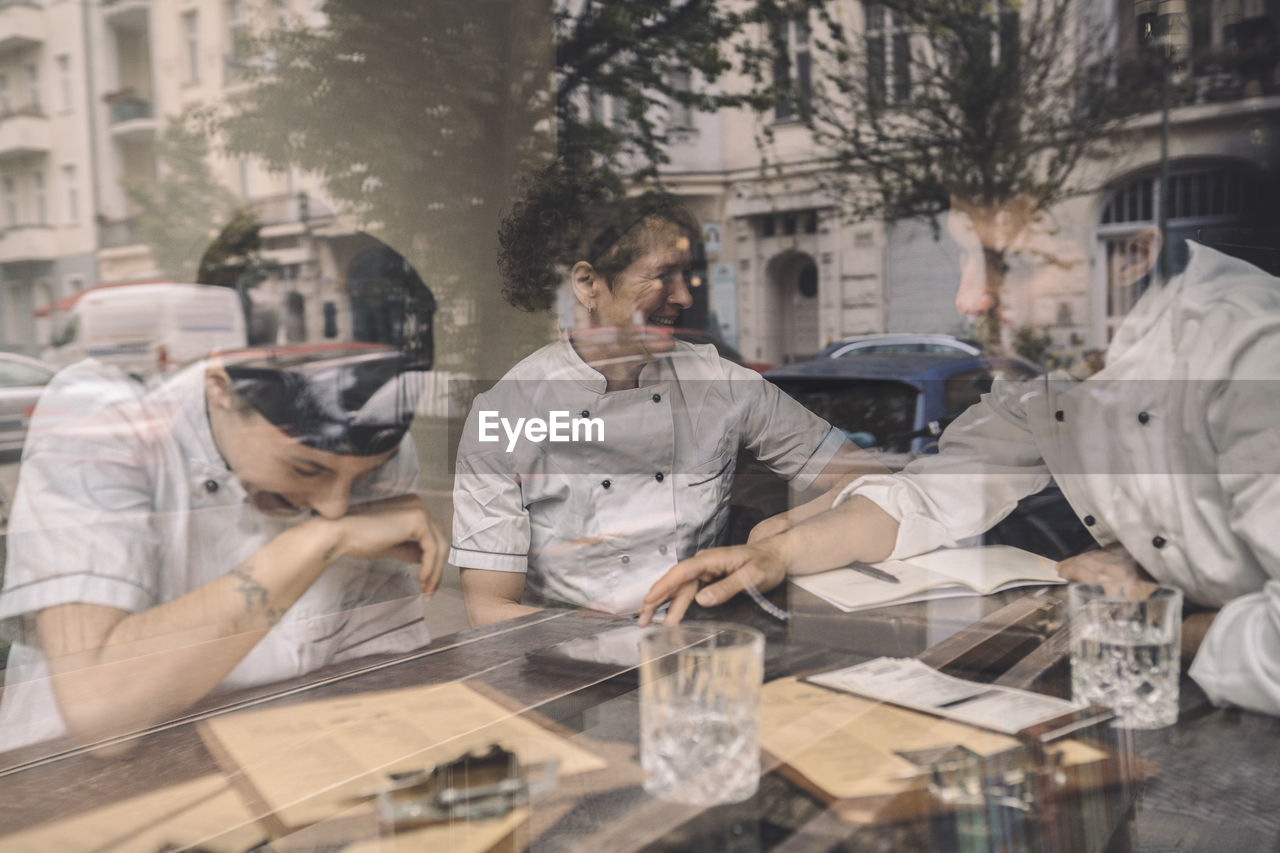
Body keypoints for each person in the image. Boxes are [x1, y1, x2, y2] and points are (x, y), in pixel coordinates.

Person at [641, 205, 1280, 718]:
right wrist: (779, 554)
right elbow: (930, 497)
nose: (971, 298)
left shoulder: (1254, 350)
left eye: (1012, 265)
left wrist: (1145, 611)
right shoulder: (1061, 361)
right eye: (969, 259)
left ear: (1131, 256)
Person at [0, 261, 447, 752]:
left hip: (280, 754)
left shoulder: (377, 456)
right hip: (62, 782)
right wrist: (316, 542)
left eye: (359, 476)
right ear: (221, 385)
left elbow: (378, 666)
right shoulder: (100, 419)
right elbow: (102, 709)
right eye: (305, 470)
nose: (337, 505)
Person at [451, 163, 881, 626]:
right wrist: (620, 645)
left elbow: (864, 480)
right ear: (588, 283)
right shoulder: (505, 413)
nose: (684, 297)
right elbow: (489, 609)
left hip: (698, 651)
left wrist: (775, 542)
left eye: (688, 276)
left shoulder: (720, 384)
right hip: (566, 669)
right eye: (664, 276)